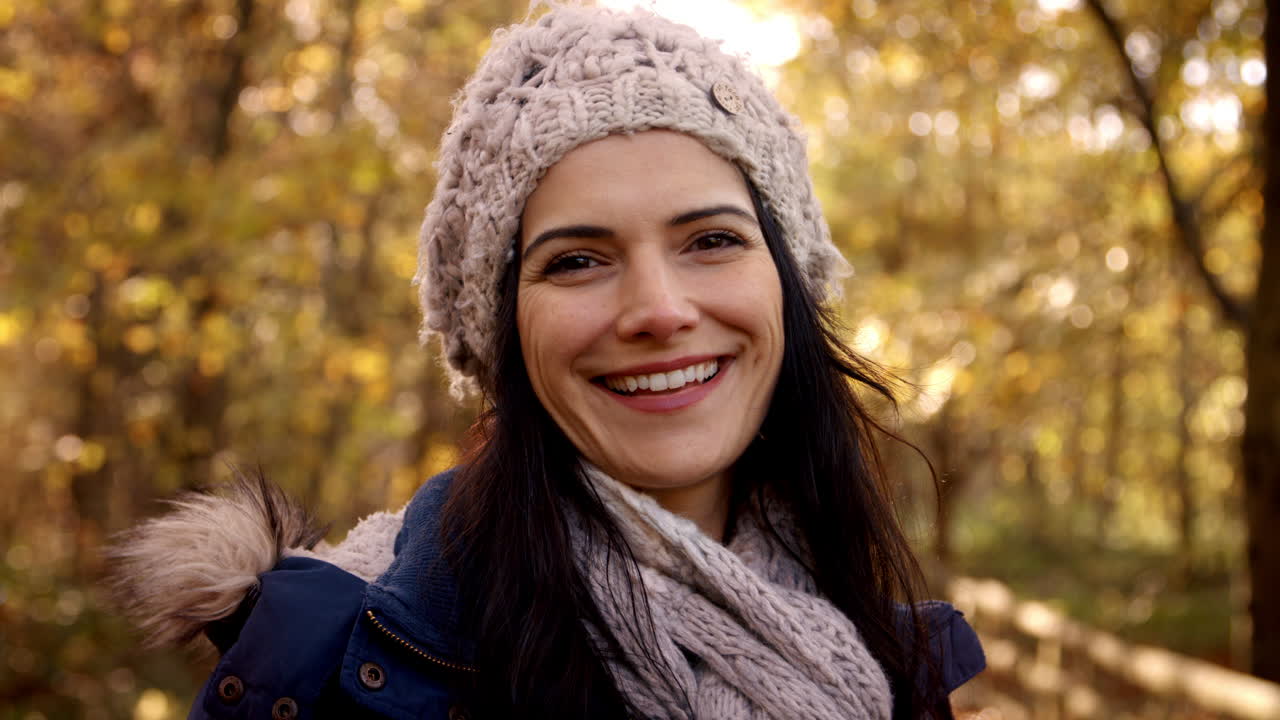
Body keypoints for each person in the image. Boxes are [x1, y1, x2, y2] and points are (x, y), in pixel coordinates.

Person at [110, 4, 985, 719]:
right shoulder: (332, 673)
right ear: (505, 334)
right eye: (576, 260)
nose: (660, 310)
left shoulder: (890, 657)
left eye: (712, 240)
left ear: (786, 286)